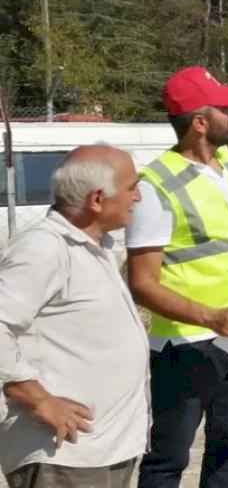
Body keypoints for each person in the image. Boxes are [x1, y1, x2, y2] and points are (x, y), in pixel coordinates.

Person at [127, 66, 228, 488]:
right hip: (188, 346)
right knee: (168, 458)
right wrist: (211, 317)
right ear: (199, 122)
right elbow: (141, 283)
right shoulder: (156, 186)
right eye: (227, 108)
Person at [0, 145, 148, 488]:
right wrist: (40, 400)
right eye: (131, 187)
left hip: (100, 451)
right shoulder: (44, 248)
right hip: (64, 457)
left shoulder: (95, 246)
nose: (137, 197)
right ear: (97, 199)